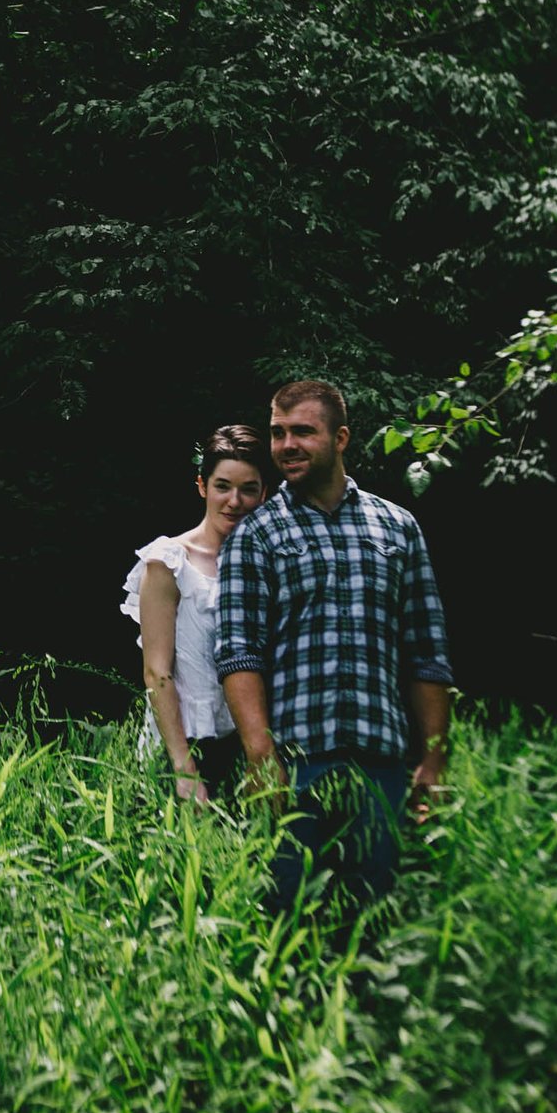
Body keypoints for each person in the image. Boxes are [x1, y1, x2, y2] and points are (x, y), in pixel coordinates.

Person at [215, 378, 455, 920]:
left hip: (382, 762)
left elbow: (427, 650)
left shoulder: (398, 527)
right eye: (277, 434)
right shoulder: (257, 534)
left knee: (374, 922)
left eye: (303, 431)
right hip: (296, 766)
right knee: (289, 921)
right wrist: (260, 758)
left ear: (341, 437)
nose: (286, 446)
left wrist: (434, 760)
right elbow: (239, 653)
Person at [120, 425, 272, 802]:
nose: (234, 501)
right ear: (202, 486)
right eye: (223, 486)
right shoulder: (169, 562)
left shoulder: (264, 563)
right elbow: (157, 672)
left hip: (244, 744)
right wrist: (183, 767)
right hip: (184, 745)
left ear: (263, 493)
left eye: (248, 489)